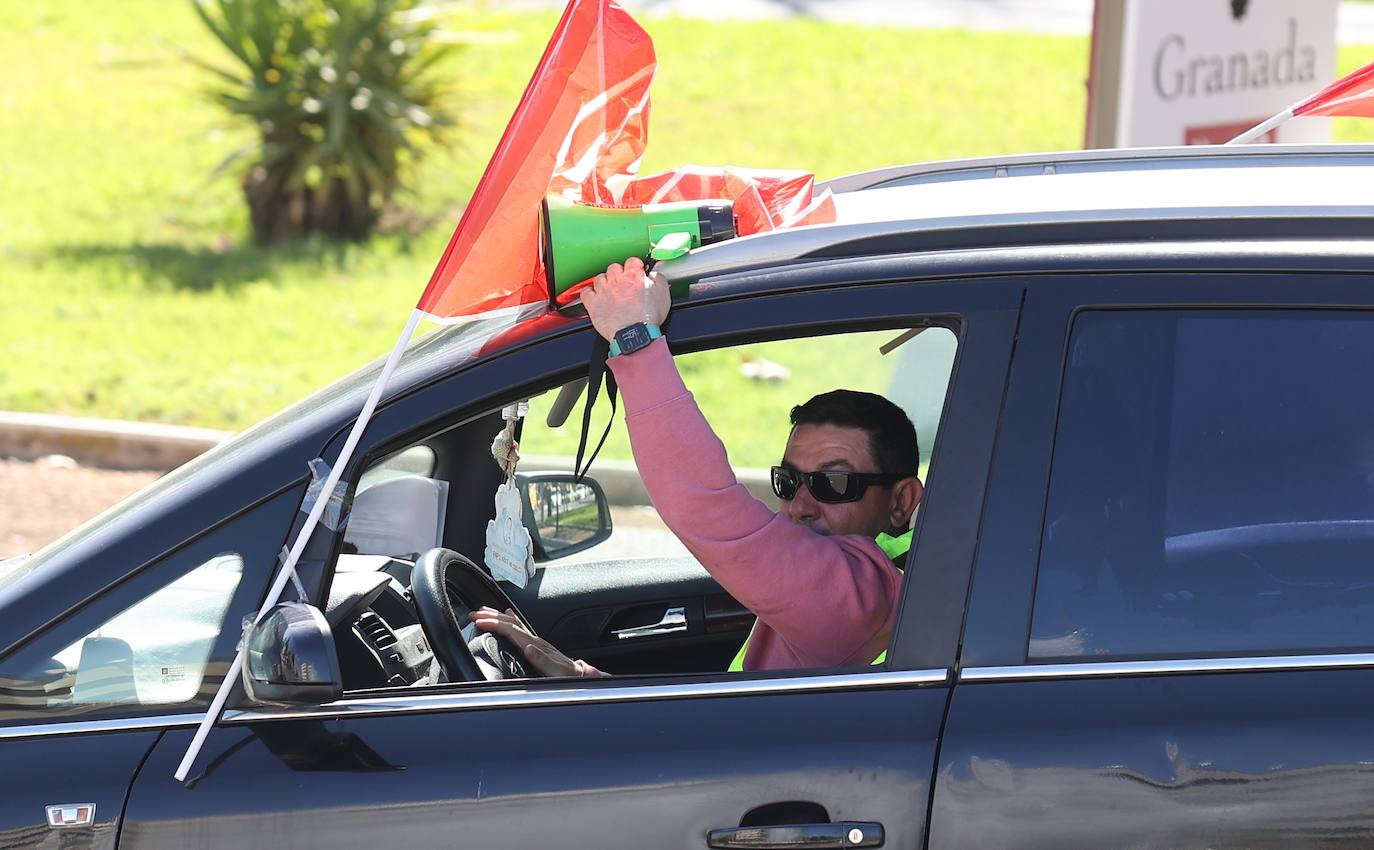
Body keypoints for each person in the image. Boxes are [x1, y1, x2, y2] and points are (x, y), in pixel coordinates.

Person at [472, 257, 924, 676]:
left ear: (901, 501)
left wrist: (635, 339)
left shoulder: (866, 596)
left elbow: (709, 507)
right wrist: (582, 679)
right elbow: (735, 729)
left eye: (833, 482)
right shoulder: (876, 587)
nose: (801, 506)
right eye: (788, 482)